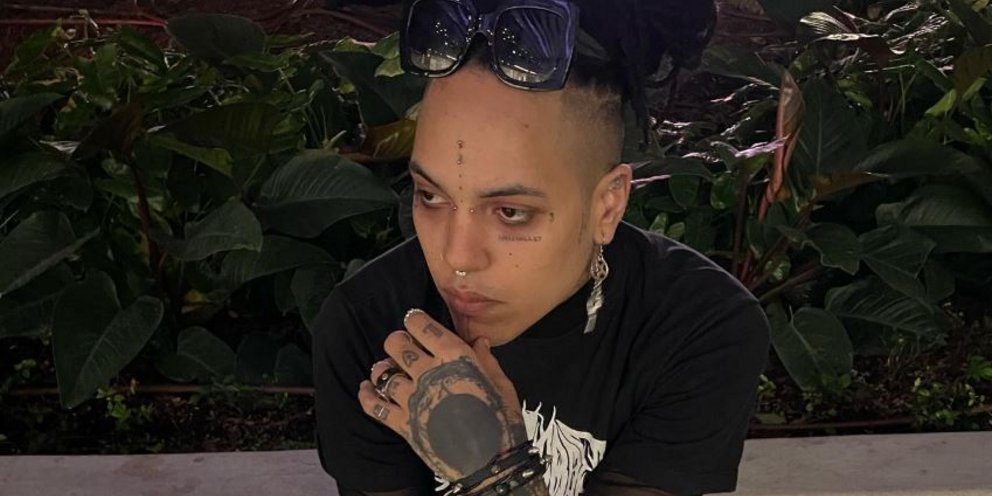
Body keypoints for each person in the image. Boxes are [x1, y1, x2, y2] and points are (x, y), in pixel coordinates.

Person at [312, 1, 770, 495]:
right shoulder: (369, 327)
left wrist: (498, 473)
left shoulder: (698, 329)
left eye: (511, 212)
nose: (457, 258)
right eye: (431, 196)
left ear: (608, 207)